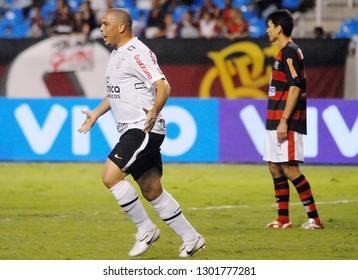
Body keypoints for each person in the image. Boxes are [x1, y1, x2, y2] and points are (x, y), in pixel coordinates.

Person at [78, 8, 205, 257]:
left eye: (105, 24)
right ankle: (192, 238)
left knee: (110, 176)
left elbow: (163, 85)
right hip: (133, 129)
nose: (101, 29)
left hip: (142, 127)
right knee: (151, 189)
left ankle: (146, 229)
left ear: (121, 27)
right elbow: (117, 92)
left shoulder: (139, 53)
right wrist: (96, 113)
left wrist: (154, 110)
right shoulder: (116, 54)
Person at [263, 9, 324, 230]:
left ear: (279, 28)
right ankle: (283, 219)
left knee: (289, 168)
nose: (267, 30)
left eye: (269, 26)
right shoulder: (284, 53)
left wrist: (284, 120)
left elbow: (295, 86)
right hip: (275, 117)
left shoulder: (290, 52)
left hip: (285, 119)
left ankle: (315, 219)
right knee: (274, 166)